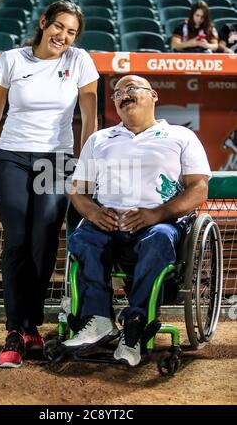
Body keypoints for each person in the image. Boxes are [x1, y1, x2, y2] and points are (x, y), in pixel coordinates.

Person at [0, 0, 99, 368]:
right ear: (44, 23)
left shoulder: (79, 61)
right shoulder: (11, 60)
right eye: (59, 26)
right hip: (10, 157)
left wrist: (84, 168)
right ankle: (15, 332)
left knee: (44, 241)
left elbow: (89, 121)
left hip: (56, 161)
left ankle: (32, 327)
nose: (63, 36)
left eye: (72, 31)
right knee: (18, 241)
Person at [62, 74, 211, 367]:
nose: (123, 95)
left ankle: (135, 327)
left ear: (154, 95)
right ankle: (98, 319)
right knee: (83, 238)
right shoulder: (99, 139)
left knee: (159, 238)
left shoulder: (181, 136)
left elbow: (199, 188)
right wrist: (92, 213)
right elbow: (78, 190)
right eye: (117, 93)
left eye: (131, 88)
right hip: (107, 225)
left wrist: (156, 214)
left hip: (157, 224)